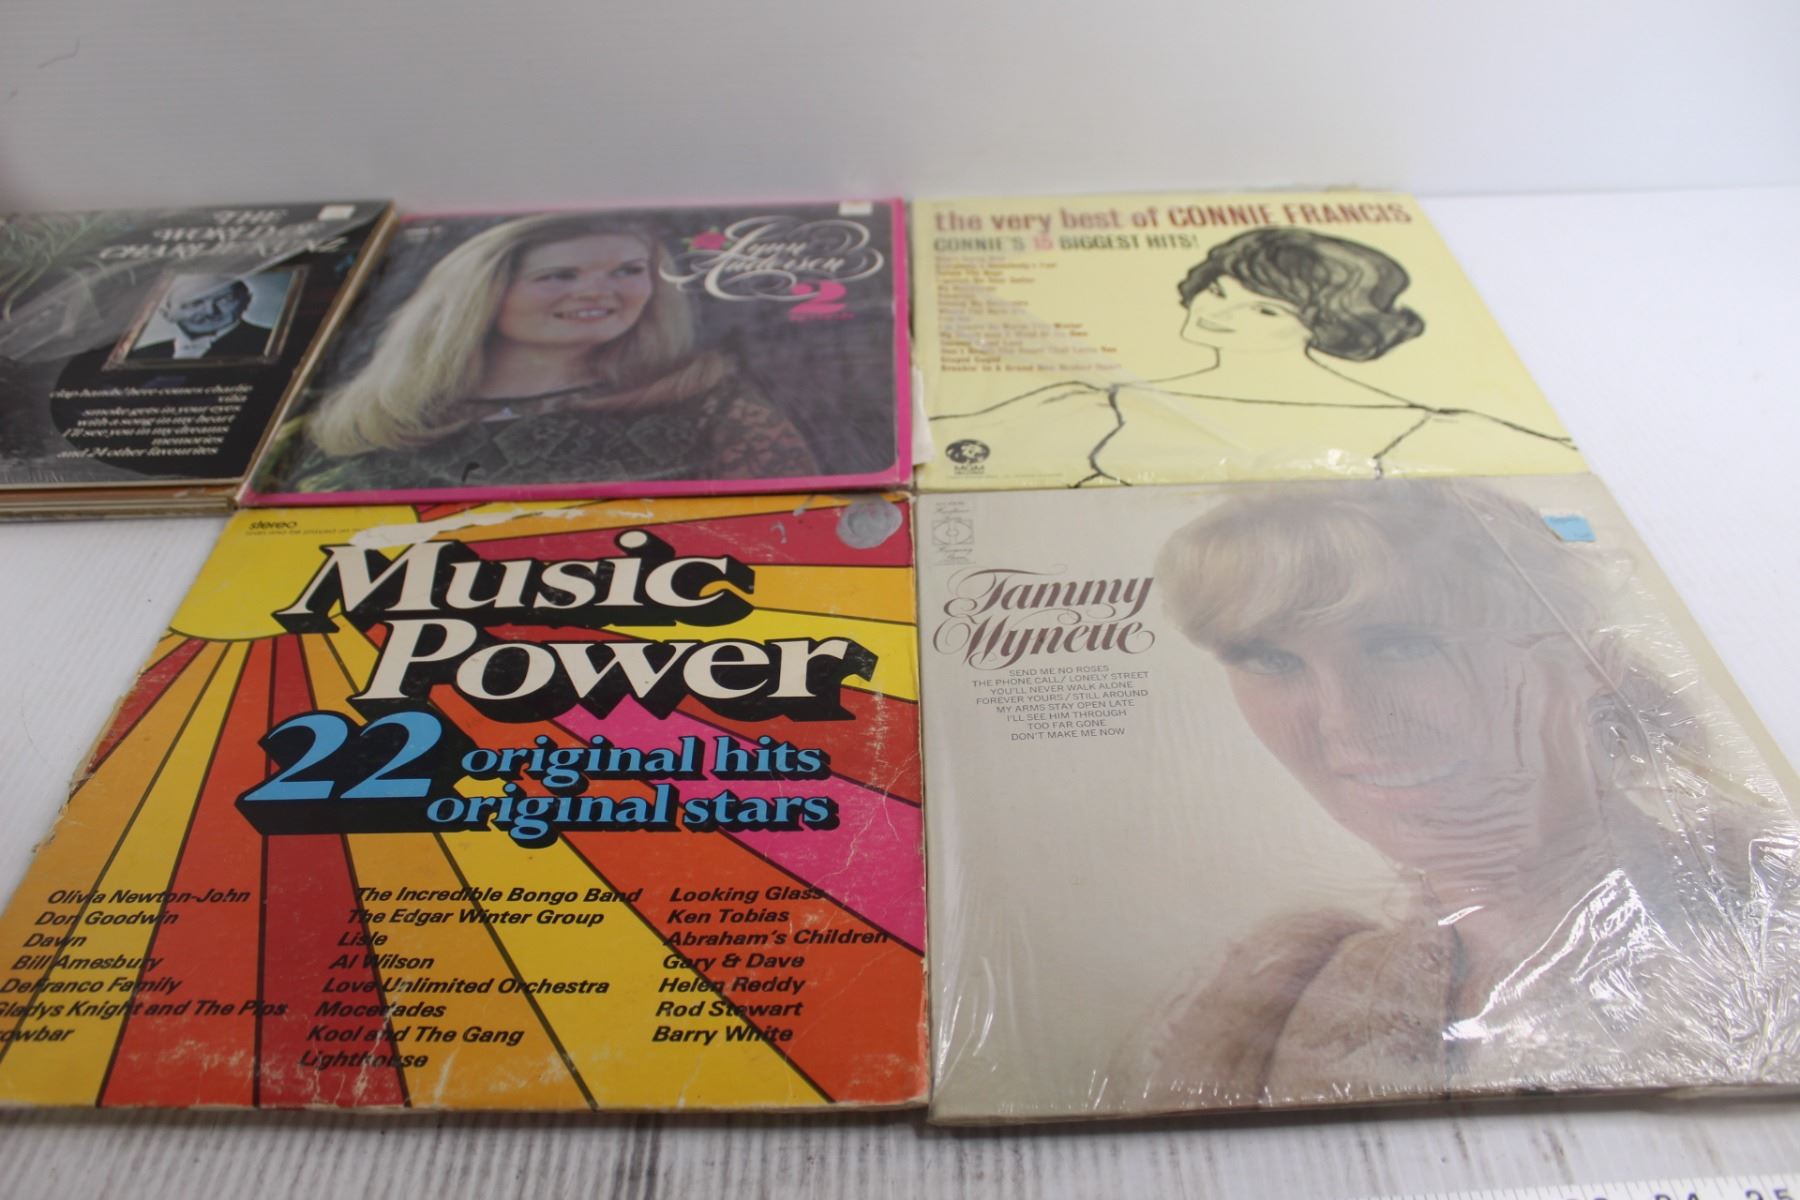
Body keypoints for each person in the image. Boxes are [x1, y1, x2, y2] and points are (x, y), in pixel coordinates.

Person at [1126, 480, 1800, 1109]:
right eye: (1272, 660)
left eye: (1402, 645)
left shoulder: (1775, 910)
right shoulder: (1276, 1006)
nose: (1344, 720)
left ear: (1588, 663)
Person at [930, 228, 1577, 485]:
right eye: (1217, 291)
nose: (1216, 312)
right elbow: (943, 449)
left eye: (1265, 310)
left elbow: (1557, 479)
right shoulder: (1110, 406)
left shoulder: (1422, 429)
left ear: (1326, 328)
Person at [262, 212, 817, 493]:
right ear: (478, 297)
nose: (599, 293)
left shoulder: (716, 409)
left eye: (628, 271)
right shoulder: (343, 428)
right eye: (559, 276)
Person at [128, 274, 272, 360]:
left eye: (224, 300)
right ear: (167, 314)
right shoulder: (141, 355)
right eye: (193, 304)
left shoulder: (268, 342)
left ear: (246, 300)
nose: (210, 311)